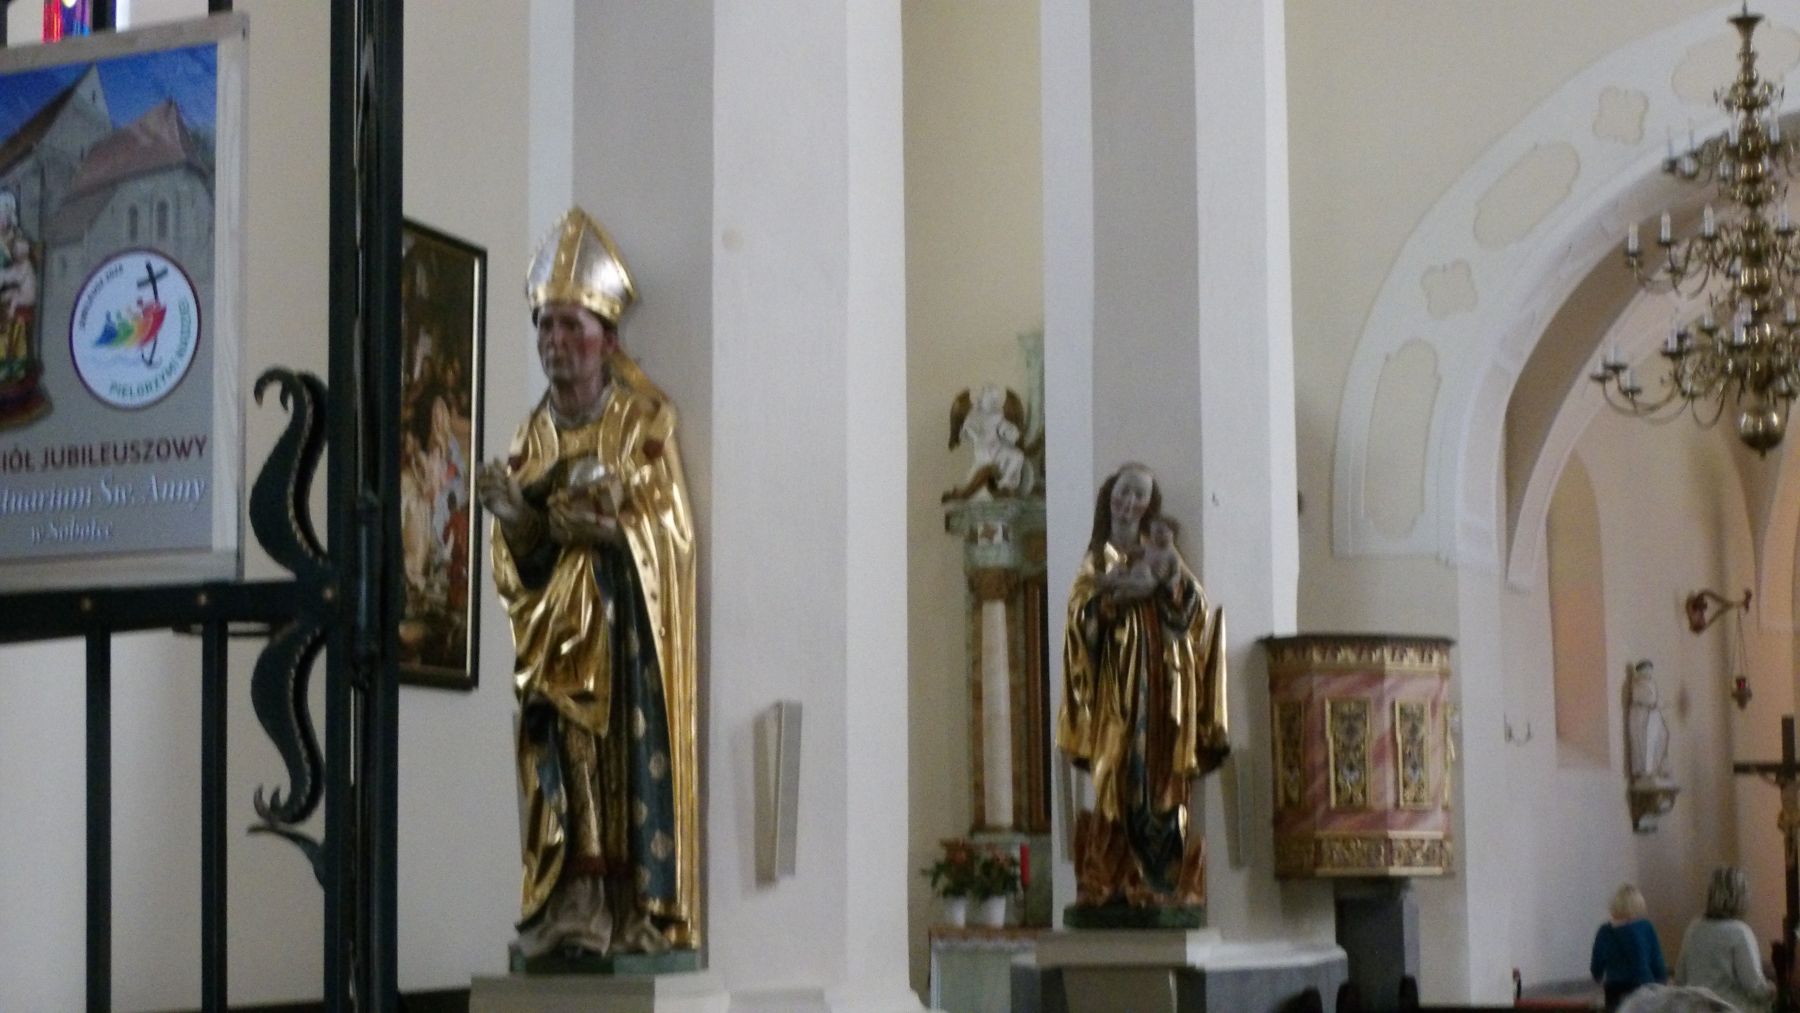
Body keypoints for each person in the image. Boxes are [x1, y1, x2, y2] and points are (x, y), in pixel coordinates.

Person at [477, 207, 698, 960]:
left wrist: (613, 530)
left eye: (571, 326)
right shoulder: (530, 436)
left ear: (606, 337)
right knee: (559, 752)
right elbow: (522, 562)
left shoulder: (640, 423)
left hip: (625, 646)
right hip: (555, 645)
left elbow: (670, 535)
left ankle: (623, 900)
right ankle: (572, 896)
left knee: (611, 759)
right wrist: (516, 517)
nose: (555, 342)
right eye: (545, 326)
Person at [1057, 462, 1228, 912]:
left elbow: (1195, 610)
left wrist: (1168, 585)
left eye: (1139, 496)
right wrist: (1107, 604)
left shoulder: (1161, 552)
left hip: (1159, 681)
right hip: (1115, 687)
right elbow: (1079, 617)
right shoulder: (1097, 559)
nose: (1129, 502)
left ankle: (1160, 877)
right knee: (1115, 769)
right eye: (1123, 492)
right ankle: (1109, 873)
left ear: (1149, 506)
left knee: (1158, 774)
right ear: (1109, 495)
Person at [1674, 867, 1775, 1013]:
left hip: (1694, 1008)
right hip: (1729, 1008)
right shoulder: (1740, 932)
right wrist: (1771, 988)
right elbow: (1754, 986)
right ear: (1740, 896)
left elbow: (1680, 977)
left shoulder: (1694, 927)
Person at [1592, 883, 1669, 1011]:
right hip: (1643, 987)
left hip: (1614, 988)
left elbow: (1597, 962)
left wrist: (1597, 976)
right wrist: (1662, 983)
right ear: (1638, 905)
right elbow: (1657, 960)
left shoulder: (1604, 931)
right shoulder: (1645, 927)